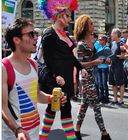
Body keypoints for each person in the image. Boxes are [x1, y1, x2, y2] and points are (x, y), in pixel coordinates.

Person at [2, 18, 66, 140]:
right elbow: (2, 107)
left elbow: (35, 94)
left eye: (36, 34)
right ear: (16, 40)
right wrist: (18, 130)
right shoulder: (4, 68)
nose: (36, 38)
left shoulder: (33, 64)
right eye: (31, 34)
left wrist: (51, 98)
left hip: (34, 132)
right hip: (14, 135)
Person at [38, 0, 87, 140]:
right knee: (65, 107)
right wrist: (56, 75)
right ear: (59, 15)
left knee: (52, 109)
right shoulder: (49, 34)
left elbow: (70, 57)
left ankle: (42, 137)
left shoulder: (64, 34)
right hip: (55, 79)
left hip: (66, 77)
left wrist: (80, 68)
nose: (70, 19)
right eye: (68, 15)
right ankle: (71, 138)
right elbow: (47, 60)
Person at [74, 15, 112, 140]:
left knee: (84, 105)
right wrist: (95, 62)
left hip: (92, 75)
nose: (93, 26)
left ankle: (77, 131)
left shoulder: (92, 42)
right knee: (96, 105)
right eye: (91, 24)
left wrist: (105, 60)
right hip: (85, 77)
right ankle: (104, 134)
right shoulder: (81, 45)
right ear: (84, 26)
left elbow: (94, 57)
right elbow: (79, 64)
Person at [109, 28, 126, 106]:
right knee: (113, 83)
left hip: (119, 66)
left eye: (112, 33)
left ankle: (121, 100)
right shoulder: (112, 43)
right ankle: (115, 99)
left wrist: (116, 56)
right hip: (112, 65)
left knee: (121, 83)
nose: (111, 35)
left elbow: (123, 56)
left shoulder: (121, 43)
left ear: (116, 34)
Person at [94, 35, 111, 103]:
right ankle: (101, 97)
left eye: (101, 40)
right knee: (99, 84)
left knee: (104, 84)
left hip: (104, 68)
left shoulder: (107, 48)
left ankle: (106, 97)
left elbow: (108, 60)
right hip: (98, 67)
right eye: (99, 39)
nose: (99, 41)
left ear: (104, 41)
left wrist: (102, 60)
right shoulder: (99, 48)